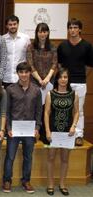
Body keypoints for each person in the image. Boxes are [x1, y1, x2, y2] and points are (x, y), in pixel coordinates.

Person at [2, 62, 42, 194]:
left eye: (26, 72)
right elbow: (6, 111)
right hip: (14, 129)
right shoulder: (10, 89)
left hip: (30, 130)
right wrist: (8, 128)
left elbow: (39, 111)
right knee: (10, 156)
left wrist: (37, 127)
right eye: (21, 72)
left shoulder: (36, 90)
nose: (24, 75)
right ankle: (7, 180)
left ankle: (26, 181)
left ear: (30, 73)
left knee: (28, 157)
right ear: (17, 73)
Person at [57, 18, 93, 146]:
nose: (72, 30)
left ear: (80, 29)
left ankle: (78, 135)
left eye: (75, 27)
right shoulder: (62, 46)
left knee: (79, 110)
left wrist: (81, 76)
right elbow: (60, 66)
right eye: (70, 28)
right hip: (64, 84)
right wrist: (64, 80)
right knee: (64, 109)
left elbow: (89, 66)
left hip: (80, 83)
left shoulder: (87, 46)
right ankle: (65, 133)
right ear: (68, 30)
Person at [44, 68, 79, 196]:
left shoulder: (74, 94)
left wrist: (74, 126)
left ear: (68, 79)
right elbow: (46, 113)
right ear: (57, 79)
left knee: (65, 159)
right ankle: (50, 184)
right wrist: (47, 131)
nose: (63, 80)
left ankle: (63, 184)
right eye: (61, 77)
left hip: (68, 131)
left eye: (65, 77)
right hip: (53, 131)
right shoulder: (50, 94)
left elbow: (76, 112)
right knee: (51, 158)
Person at [27, 23, 57, 144]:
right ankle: (33, 135)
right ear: (37, 33)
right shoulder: (31, 47)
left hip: (49, 82)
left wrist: (47, 79)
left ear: (48, 33)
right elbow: (30, 64)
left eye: (44, 31)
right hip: (34, 81)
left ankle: (45, 135)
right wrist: (39, 79)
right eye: (40, 31)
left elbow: (54, 64)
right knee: (34, 108)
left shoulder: (53, 47)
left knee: (47, 109)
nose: (42, 34)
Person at [2, 15, 30, 87]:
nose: (13, 26)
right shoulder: (2, 39)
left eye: (14, 24)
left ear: (18, 24)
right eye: (10, 24)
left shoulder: (25, 38)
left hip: (21, 78)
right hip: (6, 78)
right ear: (6, 26)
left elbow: (29, 57)